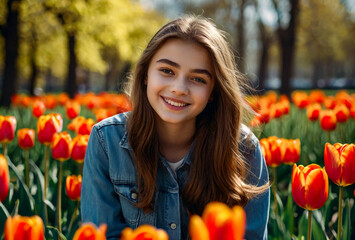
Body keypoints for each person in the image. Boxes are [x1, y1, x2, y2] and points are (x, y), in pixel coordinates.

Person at [81, 15, 270, 240]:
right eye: (167, 71)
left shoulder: (244, 150)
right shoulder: (107, 142)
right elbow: (103, 235)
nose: (179, 88)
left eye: (198, 79)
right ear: (145, 75)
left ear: (213, 92)